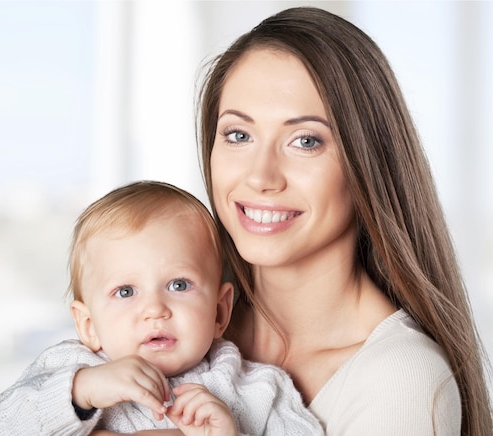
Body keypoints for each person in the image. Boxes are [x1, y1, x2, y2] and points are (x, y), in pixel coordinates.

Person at [196, 6, 492, 435]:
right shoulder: (175, 319)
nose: (260, 177)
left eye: (305, 141)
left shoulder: (400, 382)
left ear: (368, 164)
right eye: (239, 135)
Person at [0, 180, 323, 435]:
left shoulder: (255, 389)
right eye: (126, 291)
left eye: (178, 285)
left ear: (219, 311)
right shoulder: (71, 371)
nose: (155, 309)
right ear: (89, 326)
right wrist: (81, 392)